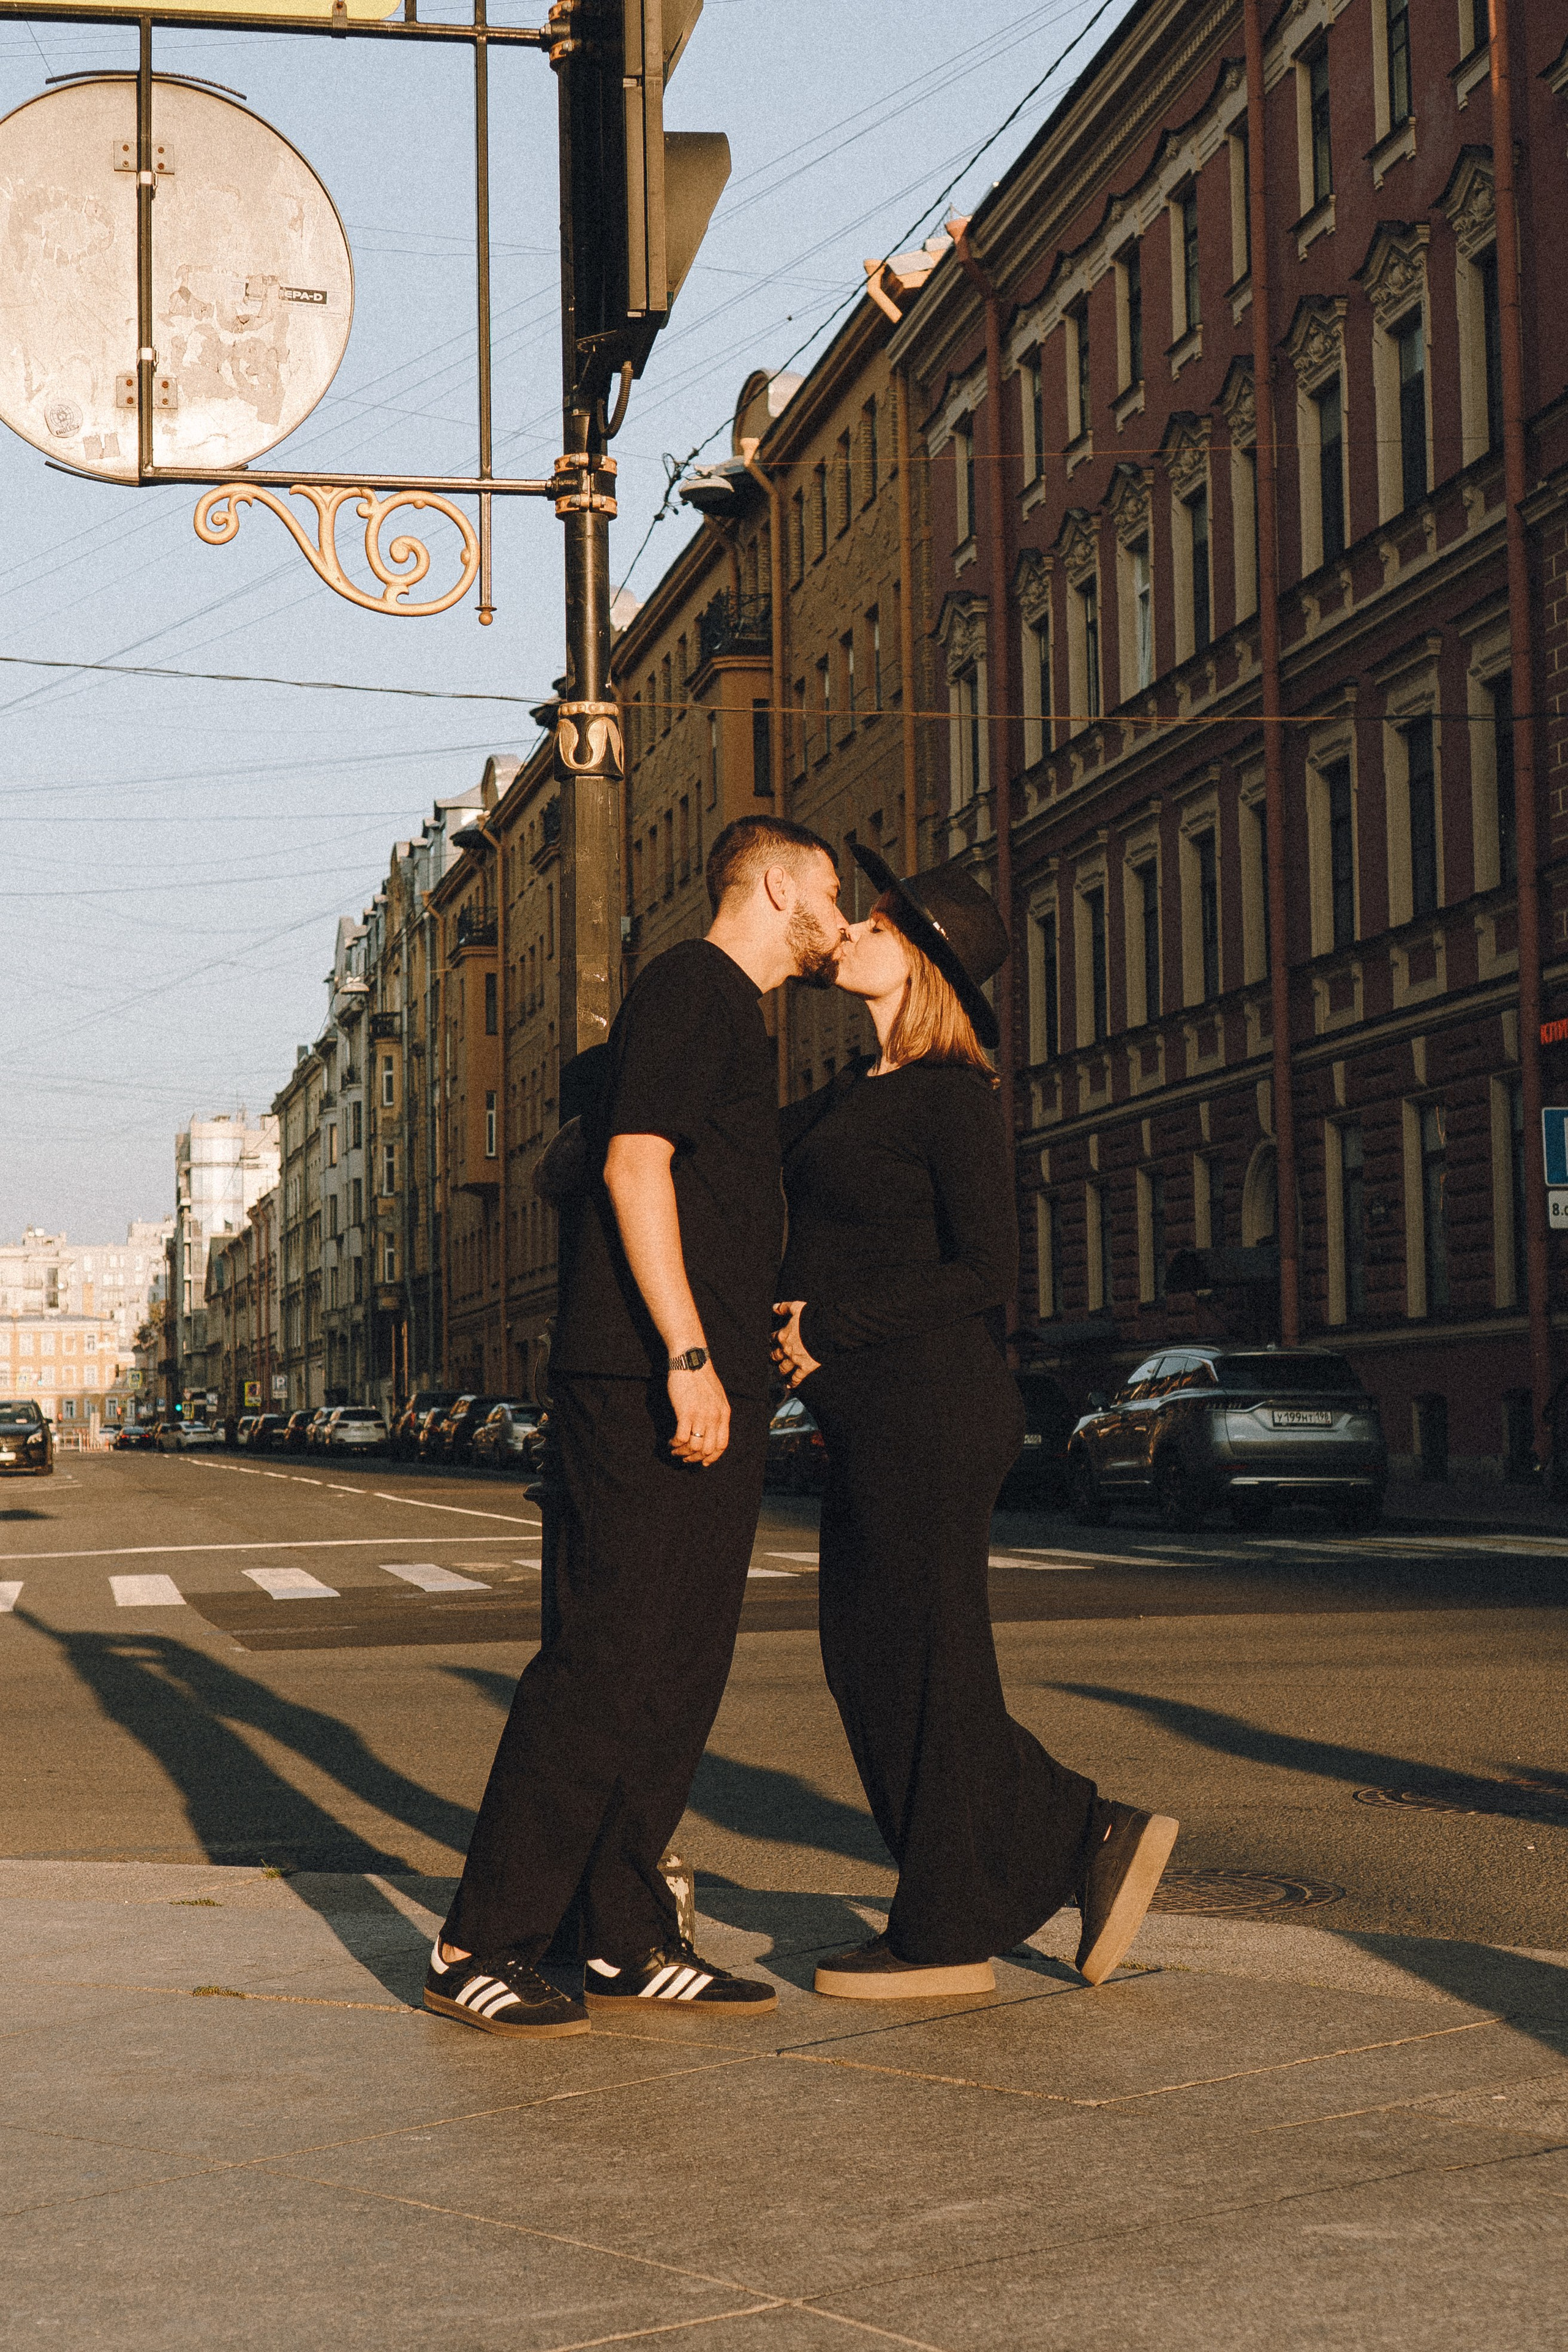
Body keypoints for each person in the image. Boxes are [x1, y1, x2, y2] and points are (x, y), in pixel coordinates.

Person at [426, 813, 848, 2038]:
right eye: (828, 888)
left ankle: (620, 1935)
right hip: (643, 1379)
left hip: (707, 1382)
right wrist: (683, 1353)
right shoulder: (691, 987)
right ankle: (478, 1942)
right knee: (603, 1663)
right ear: (775, 885)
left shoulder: (738, 1020)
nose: (836, 913)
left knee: (677, 1668)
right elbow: (631, 1166)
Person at [772, 849, 1178, 1997]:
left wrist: (832, 1326)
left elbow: (986, 1271)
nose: (849, 931)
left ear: (922, 963)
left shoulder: (953, 1094)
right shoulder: (858, 1090)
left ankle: (948, 1930)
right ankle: (1086, 1830)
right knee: (872, 1659)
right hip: (873, 1417)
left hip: (932, 1410)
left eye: (875, 926)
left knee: (931, 1664)